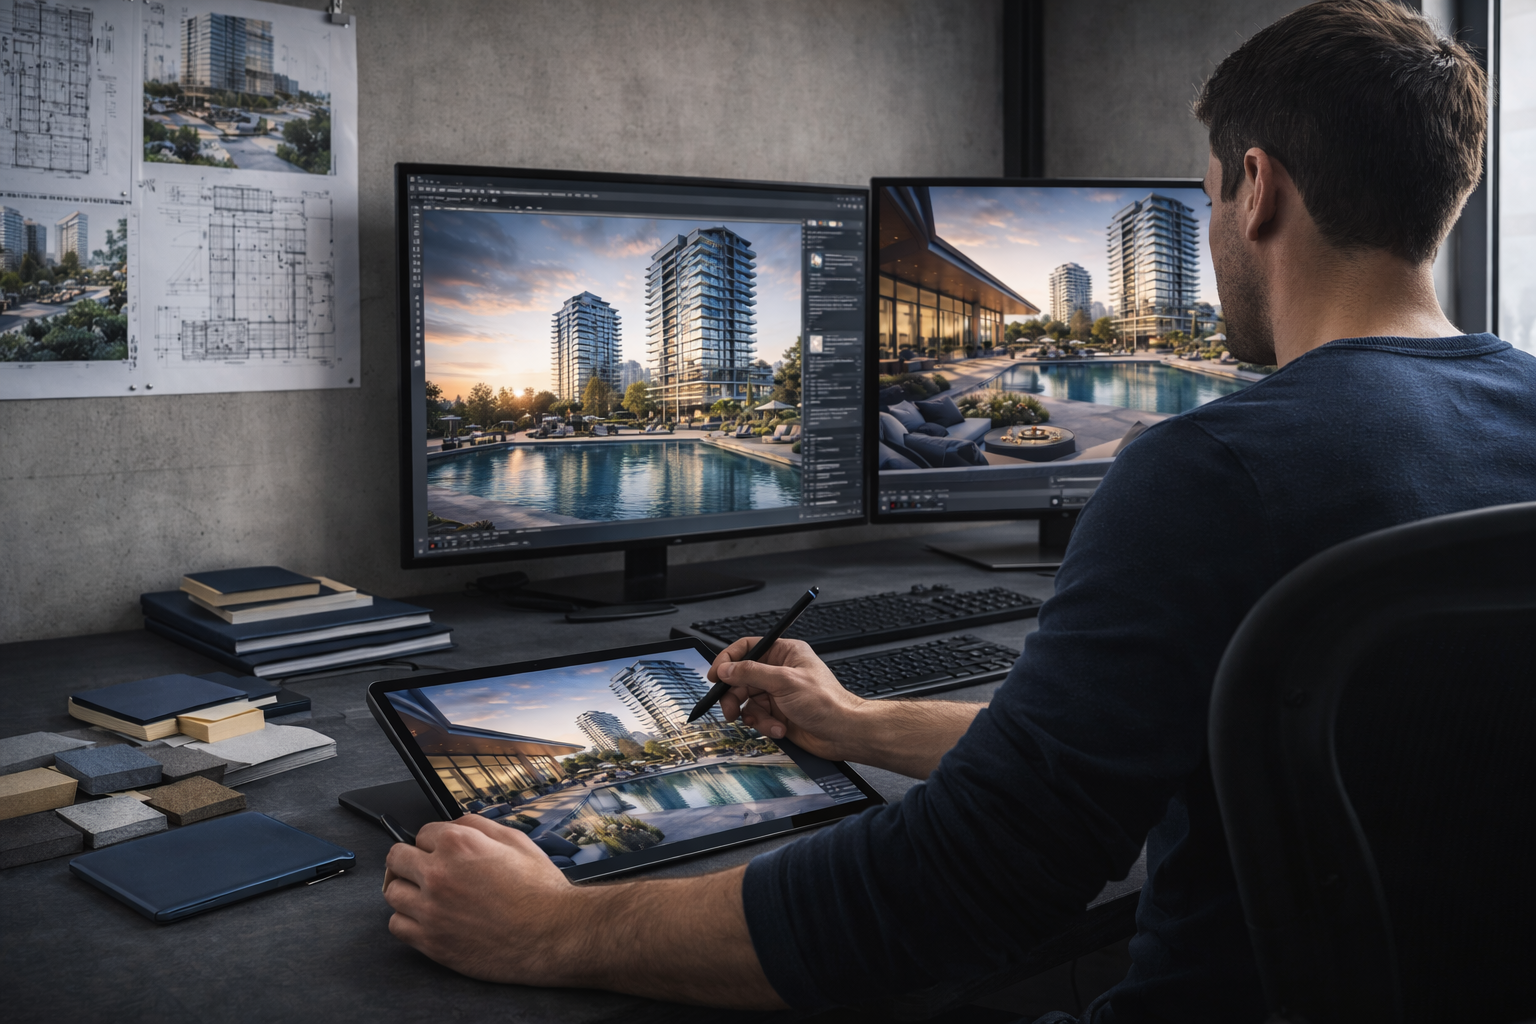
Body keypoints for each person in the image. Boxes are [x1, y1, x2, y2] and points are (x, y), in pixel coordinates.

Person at [380, 2, 1536, 1020]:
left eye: (1210, 199)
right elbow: (1119, 749)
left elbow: (948, 889)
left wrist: (549, 927)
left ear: (1259, 187)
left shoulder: (1212, 470)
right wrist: (855, 723)